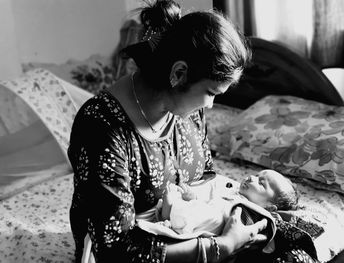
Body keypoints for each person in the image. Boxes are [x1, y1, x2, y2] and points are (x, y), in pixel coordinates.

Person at [68, 0, 268, 262]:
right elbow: (115, 250)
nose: (211, 104)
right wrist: (222, 246)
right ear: (179, 73)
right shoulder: (102, 126)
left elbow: (205, 180)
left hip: (190, 237)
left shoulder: (187, 112)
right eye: (210, 93)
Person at [158, 169, 299, 237]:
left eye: (261, 183)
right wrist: (193, 198)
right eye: (257, 175)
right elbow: (211, 201)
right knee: (199, 207)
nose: (251, 178)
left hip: (218, 226)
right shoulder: (234, 192)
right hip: (209, 213)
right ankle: (172, 218)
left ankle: (170, 214)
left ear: (268, 206)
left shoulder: (254, 213)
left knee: (212, 217)